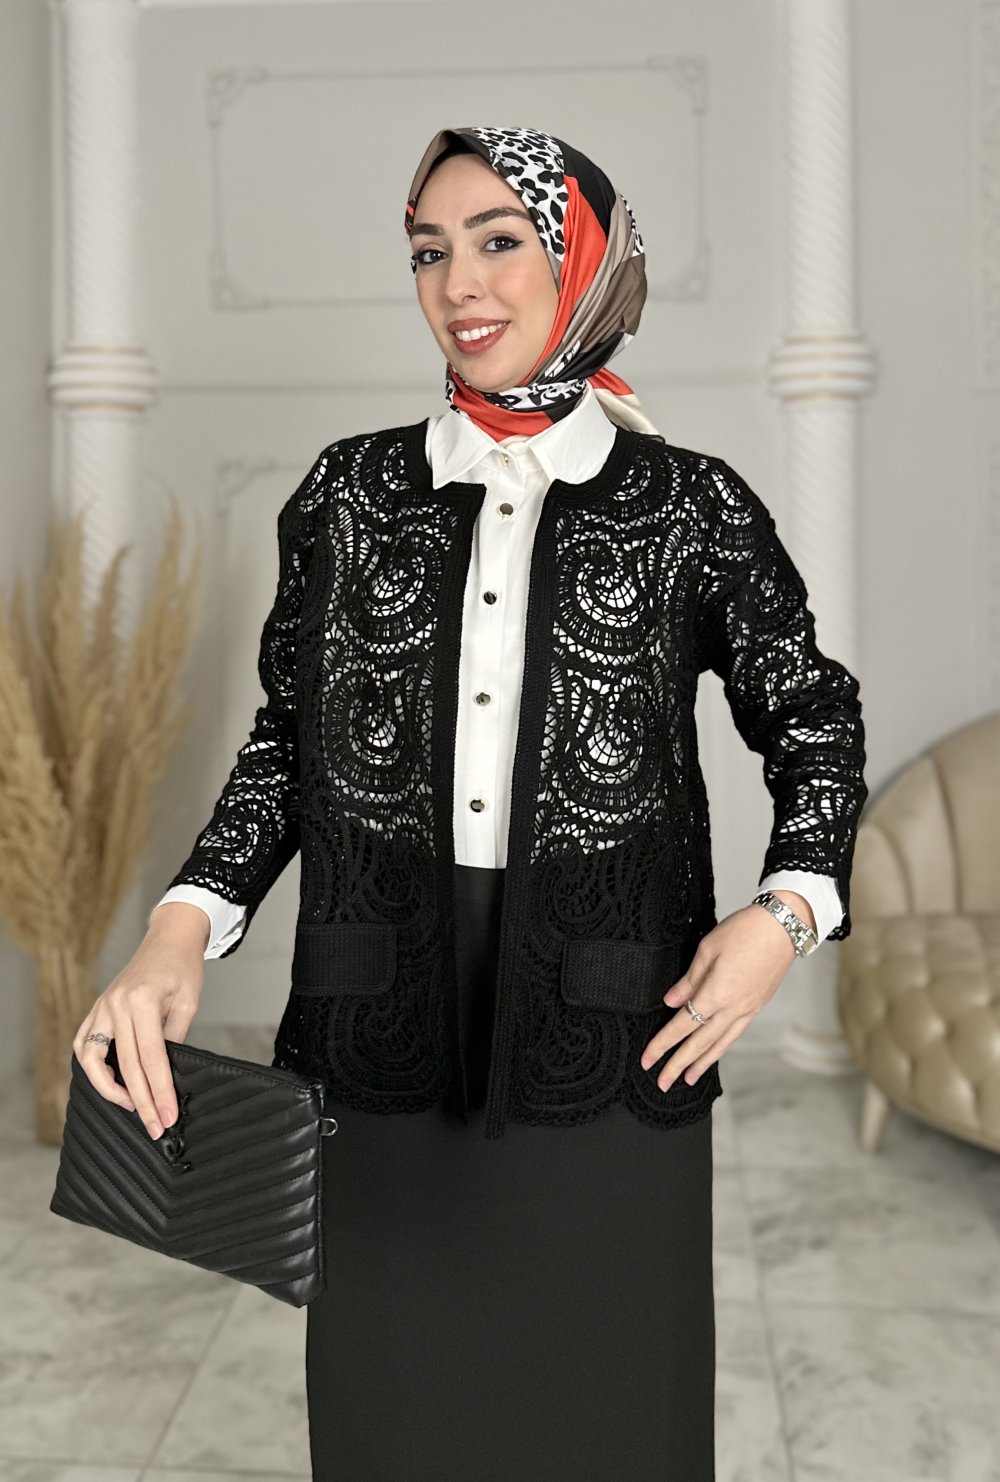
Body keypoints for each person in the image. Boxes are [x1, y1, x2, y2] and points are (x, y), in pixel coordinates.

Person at [73, 125, 868, 1480]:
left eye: (502, 240)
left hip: (614, 1014)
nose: (459, 283)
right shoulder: (348, 492)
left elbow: (815, 722)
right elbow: (286, 746)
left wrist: (785, 915)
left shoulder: (691, 506)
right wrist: (178, 927)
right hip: (377, 1005)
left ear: (584, 261)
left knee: (613, 1412)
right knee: (395, 1414)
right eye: (429, 251)